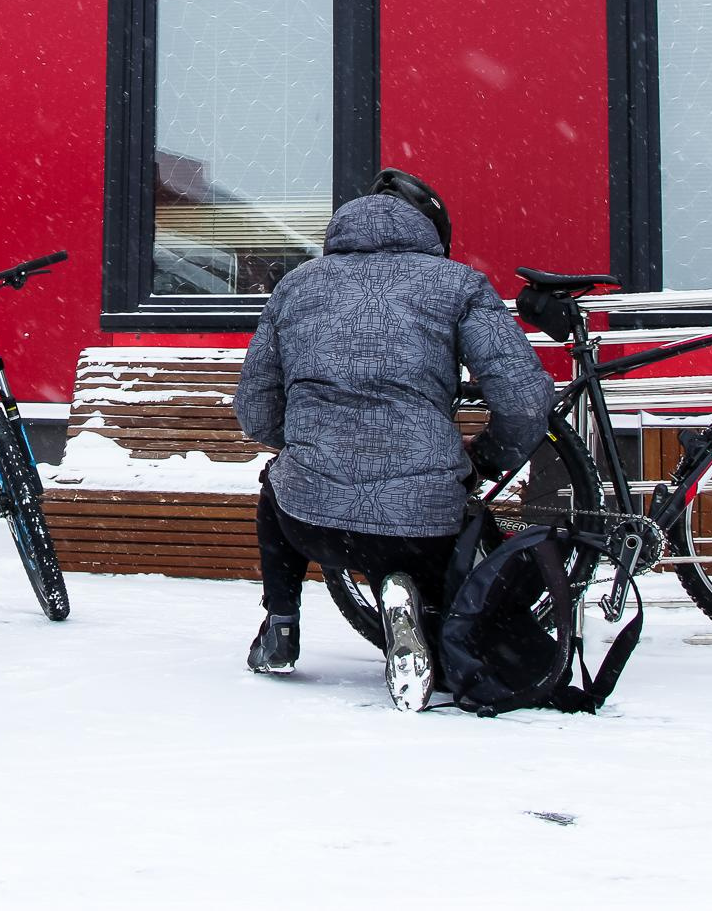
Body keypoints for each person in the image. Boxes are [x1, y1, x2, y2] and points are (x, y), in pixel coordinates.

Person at [232, 168, 552, 710]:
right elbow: (524, 400)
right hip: (421, 526)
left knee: (276, 485)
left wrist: (309, 443)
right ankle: (408, 602)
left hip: (310, 523)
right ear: (429, 230)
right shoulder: (458, 284)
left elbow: (255, 409)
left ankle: (281, 624)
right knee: (428, 539)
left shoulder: (298, 284)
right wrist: (489, 458)